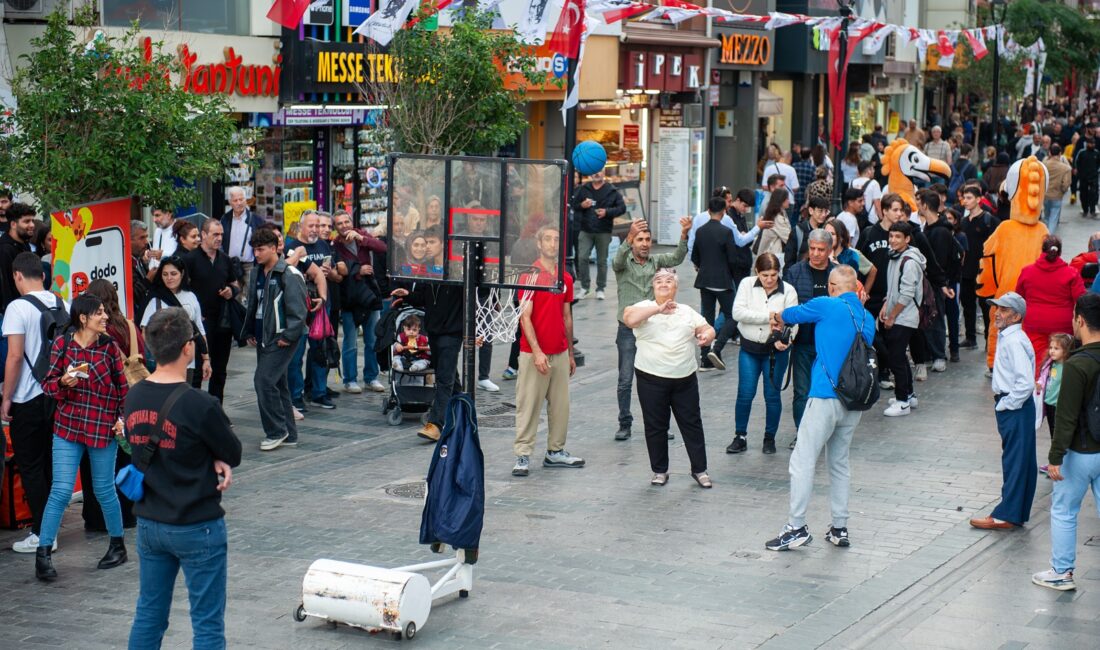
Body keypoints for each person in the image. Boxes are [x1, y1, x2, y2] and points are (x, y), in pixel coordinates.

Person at [125, 307, 242, 648]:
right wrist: (218, 457)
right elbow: (232, 451)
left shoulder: (134, 396)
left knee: (149, 613)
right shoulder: (199, 404)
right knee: (206, 623)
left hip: (150, 521)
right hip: (196, 523)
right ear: (188, 348)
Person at [765, 265, 876, 551]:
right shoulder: (867, 318)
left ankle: (796, 526)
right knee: (839, 463)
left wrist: (777, 317)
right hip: (853, 402)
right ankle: (839, 527)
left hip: (824, 396)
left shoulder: (827, 304)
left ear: (832, 286)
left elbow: (794, 314)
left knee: (802, 461)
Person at [35, 294, 130, 580]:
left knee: (103, 490)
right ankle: (42, 555)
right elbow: (48, 385)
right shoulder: (62, 345)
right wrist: (63, 382)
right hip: (68, 427)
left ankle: (117, 545)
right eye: (99, 313)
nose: (105, 317)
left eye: (104, 312)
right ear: (83, 318)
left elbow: (123, 390)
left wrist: (122, 419)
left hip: (102, 427)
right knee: (61, 491)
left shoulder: (110, 347)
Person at [1031, 293, 1100, 591]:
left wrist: (1055, 457)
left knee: (1063, 509)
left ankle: (1062, 571)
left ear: (1080, 320)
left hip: (1081, 451)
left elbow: (1067, 416)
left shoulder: (1077, 364)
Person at [622, 269, 715, 487]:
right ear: (653, 287)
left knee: (692, 423)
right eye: (659, 281)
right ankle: (660, 470)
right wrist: (658, 308)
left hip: (684, 378)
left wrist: (706, 335)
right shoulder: (643, 307)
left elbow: (707, 328)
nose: (664, 283)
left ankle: (700, 470)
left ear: (676, 287)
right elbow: (630, 319)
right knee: (655, 425)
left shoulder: (686, 311)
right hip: (651, 377)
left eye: (669, 281)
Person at [2, 252, 67, 553]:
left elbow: (15, 355)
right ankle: (51, 527)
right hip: (56, 395)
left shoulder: (17, 307)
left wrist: (6, 399)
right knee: (51, 466)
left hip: (27, 397)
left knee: (31, 466)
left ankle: (44, 533)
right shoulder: (60, 302)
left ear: (17, 276)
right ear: (42, 275)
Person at [511, 225, 583, 477]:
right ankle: (522, 454)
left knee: (561, 406)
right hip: (534, 354)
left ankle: (555, 452)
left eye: (557, 239)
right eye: (548, 239)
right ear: (539, 244)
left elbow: (567, 316)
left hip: (560, 352)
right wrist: (538, 351)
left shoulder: (566, 278)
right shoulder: (530, 275)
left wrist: (571, 353)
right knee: (528, 405)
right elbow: (525, 317)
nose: (553, 244)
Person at [611, 217, 690, 440]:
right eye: (640, 239)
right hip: (627, 329)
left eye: (647, 239)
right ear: (632, 242)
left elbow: (677, 257)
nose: (645, 243)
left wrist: (683, 233)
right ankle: (624, 423)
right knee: (625, 379)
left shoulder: (656, 262)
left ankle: (661, 425)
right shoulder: (624, 263)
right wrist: (628, 235)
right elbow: (616, 262)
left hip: (652, 328)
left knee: (659, 376)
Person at [970, 292, 1037, 531]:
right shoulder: (1010, 337)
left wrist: (1007, 403)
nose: (998, 313)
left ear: (1016, 315)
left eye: (1004, 310)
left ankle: (1007, 514)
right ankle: (1015, 511)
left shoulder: (1013, 340)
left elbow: (1025, 382)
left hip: (1014, 406)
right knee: (1021, 459)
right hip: (1016, 406)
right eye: (997, 308)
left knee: (1015, 461)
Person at [80, 279, 143, 532]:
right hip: (131, 400)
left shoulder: (96, 335)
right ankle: (129, 513)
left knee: (97, 463)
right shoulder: (129, 325)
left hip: (103, 404)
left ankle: (97, 518)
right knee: (127, 455)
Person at [243, 227, 308, 451]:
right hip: (264, 335)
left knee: (263, 381)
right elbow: (254, 305)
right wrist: (250, 330)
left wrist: (288, 336)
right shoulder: (256, 272)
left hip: (280, 338)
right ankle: (289, 434)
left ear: (274, 248)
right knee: (278, 384)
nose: (256, 254)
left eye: (260, 249)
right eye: (254, 250)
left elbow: (299, 312)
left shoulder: (289, 273)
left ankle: (276, 431)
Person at [730, 253, 798, 455]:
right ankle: (740, 436)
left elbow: (793, 321)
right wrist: (770, 317)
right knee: (745, 393)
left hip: (776, 352)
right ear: (757, 272)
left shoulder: (789, 291)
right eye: (765, 275)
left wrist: (787, 340)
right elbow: (738, 313)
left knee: (772, 395)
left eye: (774, 275)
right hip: (750, 348)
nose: (769, 280)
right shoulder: (746, 284)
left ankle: (770, 438)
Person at [285, 211, 340, 410]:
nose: (316, 230)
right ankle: (296, 395)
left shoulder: (324, 245)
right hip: (300, 307)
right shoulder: (292, 247)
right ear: (301, 226)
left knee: (320, 352)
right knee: (296, 354)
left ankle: (319, 392)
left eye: (318, 226)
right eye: (312, 226)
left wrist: (329, 273)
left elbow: (331, 272)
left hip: (321, 305)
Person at [183, 219, 239, 402]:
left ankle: (216, 409)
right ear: (204, 235)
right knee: (198, 369)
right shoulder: (190, 259)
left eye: (221, 234)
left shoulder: (225, 259)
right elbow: (181, 289)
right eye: (215, 234)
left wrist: (232, 291)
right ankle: (195, 410)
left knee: (220, 370)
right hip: (200, 323)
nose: (219, 238)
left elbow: (235, 283)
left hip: (222, 321)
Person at [332, 210, 388, 394]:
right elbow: (339, 269)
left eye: (346, 222)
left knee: (372, 339)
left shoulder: (361, 235)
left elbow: (382, 247)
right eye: (339, 223)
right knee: (350, 341)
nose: (344, 226)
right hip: (349, 297)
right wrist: (358, 271)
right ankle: (350, 380)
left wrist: (362, 239)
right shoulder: (336, 245)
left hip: (369, 295)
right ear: (336, 227)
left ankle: (371, 378)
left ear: (351, 222)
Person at [1015, 235, 1086, 368]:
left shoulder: (1027, 271)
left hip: (1034, 323)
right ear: (1059, 252)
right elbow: (1081, 299)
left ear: (1042, 250)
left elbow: (1019, 296)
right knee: (1062, 361)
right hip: (1062, 325)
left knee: (1036, 361)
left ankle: (1038, 385)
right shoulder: (1071, 273)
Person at [880, 221, 926, 417]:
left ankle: (902, 402)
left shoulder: (909, 262)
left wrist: (892, 315)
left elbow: (906, 294)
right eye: (891, 236)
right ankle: (909, 394)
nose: (893, 240)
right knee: (899, 357)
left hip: (904, 317)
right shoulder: (895, 257)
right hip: (897, 315)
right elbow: (892, 290)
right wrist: (885, 306)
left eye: (898, 237)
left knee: (896, 358)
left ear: (907, 239)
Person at [141, 256, 210, 384]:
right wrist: (156, 352)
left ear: (182, 274)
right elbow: (145, 330)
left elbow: (199, 329)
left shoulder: (191, 296)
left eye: (173, 274)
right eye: (165, 274)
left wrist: (206, 359)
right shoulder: (155, 298)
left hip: (188, 360)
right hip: (163, 362)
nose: (169, 278)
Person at [692, 197, 742, 371]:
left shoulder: (700, 231)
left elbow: (694, 257)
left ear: (708, 210)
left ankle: (705, 359)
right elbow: (733, 259)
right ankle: (716, 347)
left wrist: (702, 267)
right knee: (733, 315)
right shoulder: (726, 232)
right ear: (724, 212)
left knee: (706, 318)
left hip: (704, 280)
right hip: (722, 281)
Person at [918, 190, 962, 366]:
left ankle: (938, 356)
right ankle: (931, 354)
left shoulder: (941, 232)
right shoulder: (930, 229)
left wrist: (942, 283)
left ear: (926, 206)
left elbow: (939, 262)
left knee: (936, 318)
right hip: (930, 282)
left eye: (919, 202)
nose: (917, 205)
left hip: (937, 283)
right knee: (928, 318)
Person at [571, 171, 625, 300]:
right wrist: (582, 205)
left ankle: (600, 288)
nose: (596, 174)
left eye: (599, 170)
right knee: (582, 257)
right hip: (585, 229)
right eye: (594, 171)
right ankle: (585, 287)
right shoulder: (583, 189)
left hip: (603, 230)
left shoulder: (612, 190)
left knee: (602, 261)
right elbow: (573, 205)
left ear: (604, 172)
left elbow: (622, 208)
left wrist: (607, 212)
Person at [959, 185, 997, 348]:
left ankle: (990, 340)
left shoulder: (989, 221)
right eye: (964, 198)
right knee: (968, 306)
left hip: (984, 272)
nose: (965, 201)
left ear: (978, 199)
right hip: (966, 272)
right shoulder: (963, 222)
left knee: (986, 308)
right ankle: (970, 337)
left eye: (969, 198)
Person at [1036, 333, 1074, 447]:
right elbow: (1043, 378)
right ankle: (1054, 462)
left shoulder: (1069, 368)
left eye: (1056, 348)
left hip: (1060, 407)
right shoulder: (1050, 364)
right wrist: (1039, 385)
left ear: (1066, 350)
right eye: (1051, 347)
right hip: (1049, 404)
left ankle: (1059, 461)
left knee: (1059, 435)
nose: (1052, 351)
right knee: (1053, 433)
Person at [220, 186, 266, 278]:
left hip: (250, 266)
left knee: (249, 292)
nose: (239, 203)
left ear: (246, 200)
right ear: (230, 202)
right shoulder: (225, 219)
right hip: (230, 266)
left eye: (241, 199)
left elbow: (263, 242)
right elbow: (221, 241)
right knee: (231, 291)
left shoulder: (256, 220)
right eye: (235, 200)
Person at [0, 203, 36, 313]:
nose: (32, 225)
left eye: (32, 220)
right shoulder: (4, 250)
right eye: (26, 221)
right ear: (13, 224)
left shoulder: (24, 244)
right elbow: (6, 288)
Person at [784, 195, 831, 268]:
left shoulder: (826, 231)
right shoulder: (799, 231)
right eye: (820, 211)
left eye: (826, 211)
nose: (823, 215)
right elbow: (789, 260)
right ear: (811, 210)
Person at [824, 219, 874, 286]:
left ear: (841, 237)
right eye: (826, 234)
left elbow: (846, 282)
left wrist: (864, 292)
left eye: (832, 234)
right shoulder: (821, 253)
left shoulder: (852, 255)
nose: (828, 237)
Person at [754, 190, 792, 267]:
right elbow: (788, 237)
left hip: (770, 255)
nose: (789, 201)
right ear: (781, 201)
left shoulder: (781, 212)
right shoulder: (777, 218)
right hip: (770, 257)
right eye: (787, 199)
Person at [1042, 143, 1072, 234]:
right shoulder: (1066, 168)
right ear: (1060, 154)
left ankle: (1045, 234)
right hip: (1057, 196)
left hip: (1045, 195)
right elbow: (1066, 184)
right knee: (1054, 218)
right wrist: (1063, 191)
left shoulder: (1044, 165)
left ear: (1050, 153)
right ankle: (1049, 237)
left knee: (1046, 216)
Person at [130, 220, 152, 322]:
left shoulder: (139, 259)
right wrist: (148, 279)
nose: (146, 242)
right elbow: (133, 295)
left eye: (146, 237)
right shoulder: (124, 264)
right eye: (142, 238)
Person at [1073, 138, 1100, 218]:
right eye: (1091, 143)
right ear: (1087, 144)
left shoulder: (1097, 153)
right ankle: (1085, 209)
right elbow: (1077, 162)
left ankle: (1092, 210)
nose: (1092, 145)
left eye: (1093, 143)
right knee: (1083, 194)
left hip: (1094, 177)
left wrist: (1097, 171)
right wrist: (1077, 170)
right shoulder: (1082, 152)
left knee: (1094, 193)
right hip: (1083, 177)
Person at [146, 207, 178, 272]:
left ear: (169, 215)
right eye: (153, 216)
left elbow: (183, 255)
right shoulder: (157, 231)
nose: (154, 220)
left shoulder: (179, 230)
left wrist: (162, 255)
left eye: (157, 215)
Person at [851, 161, 882, 227]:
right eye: (872, 169)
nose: (874, 171)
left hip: (854, 217)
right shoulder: (874, 183)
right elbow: (877, 204)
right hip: (870, 219)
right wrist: (881, 219)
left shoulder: (851, 182)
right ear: (868, 171)